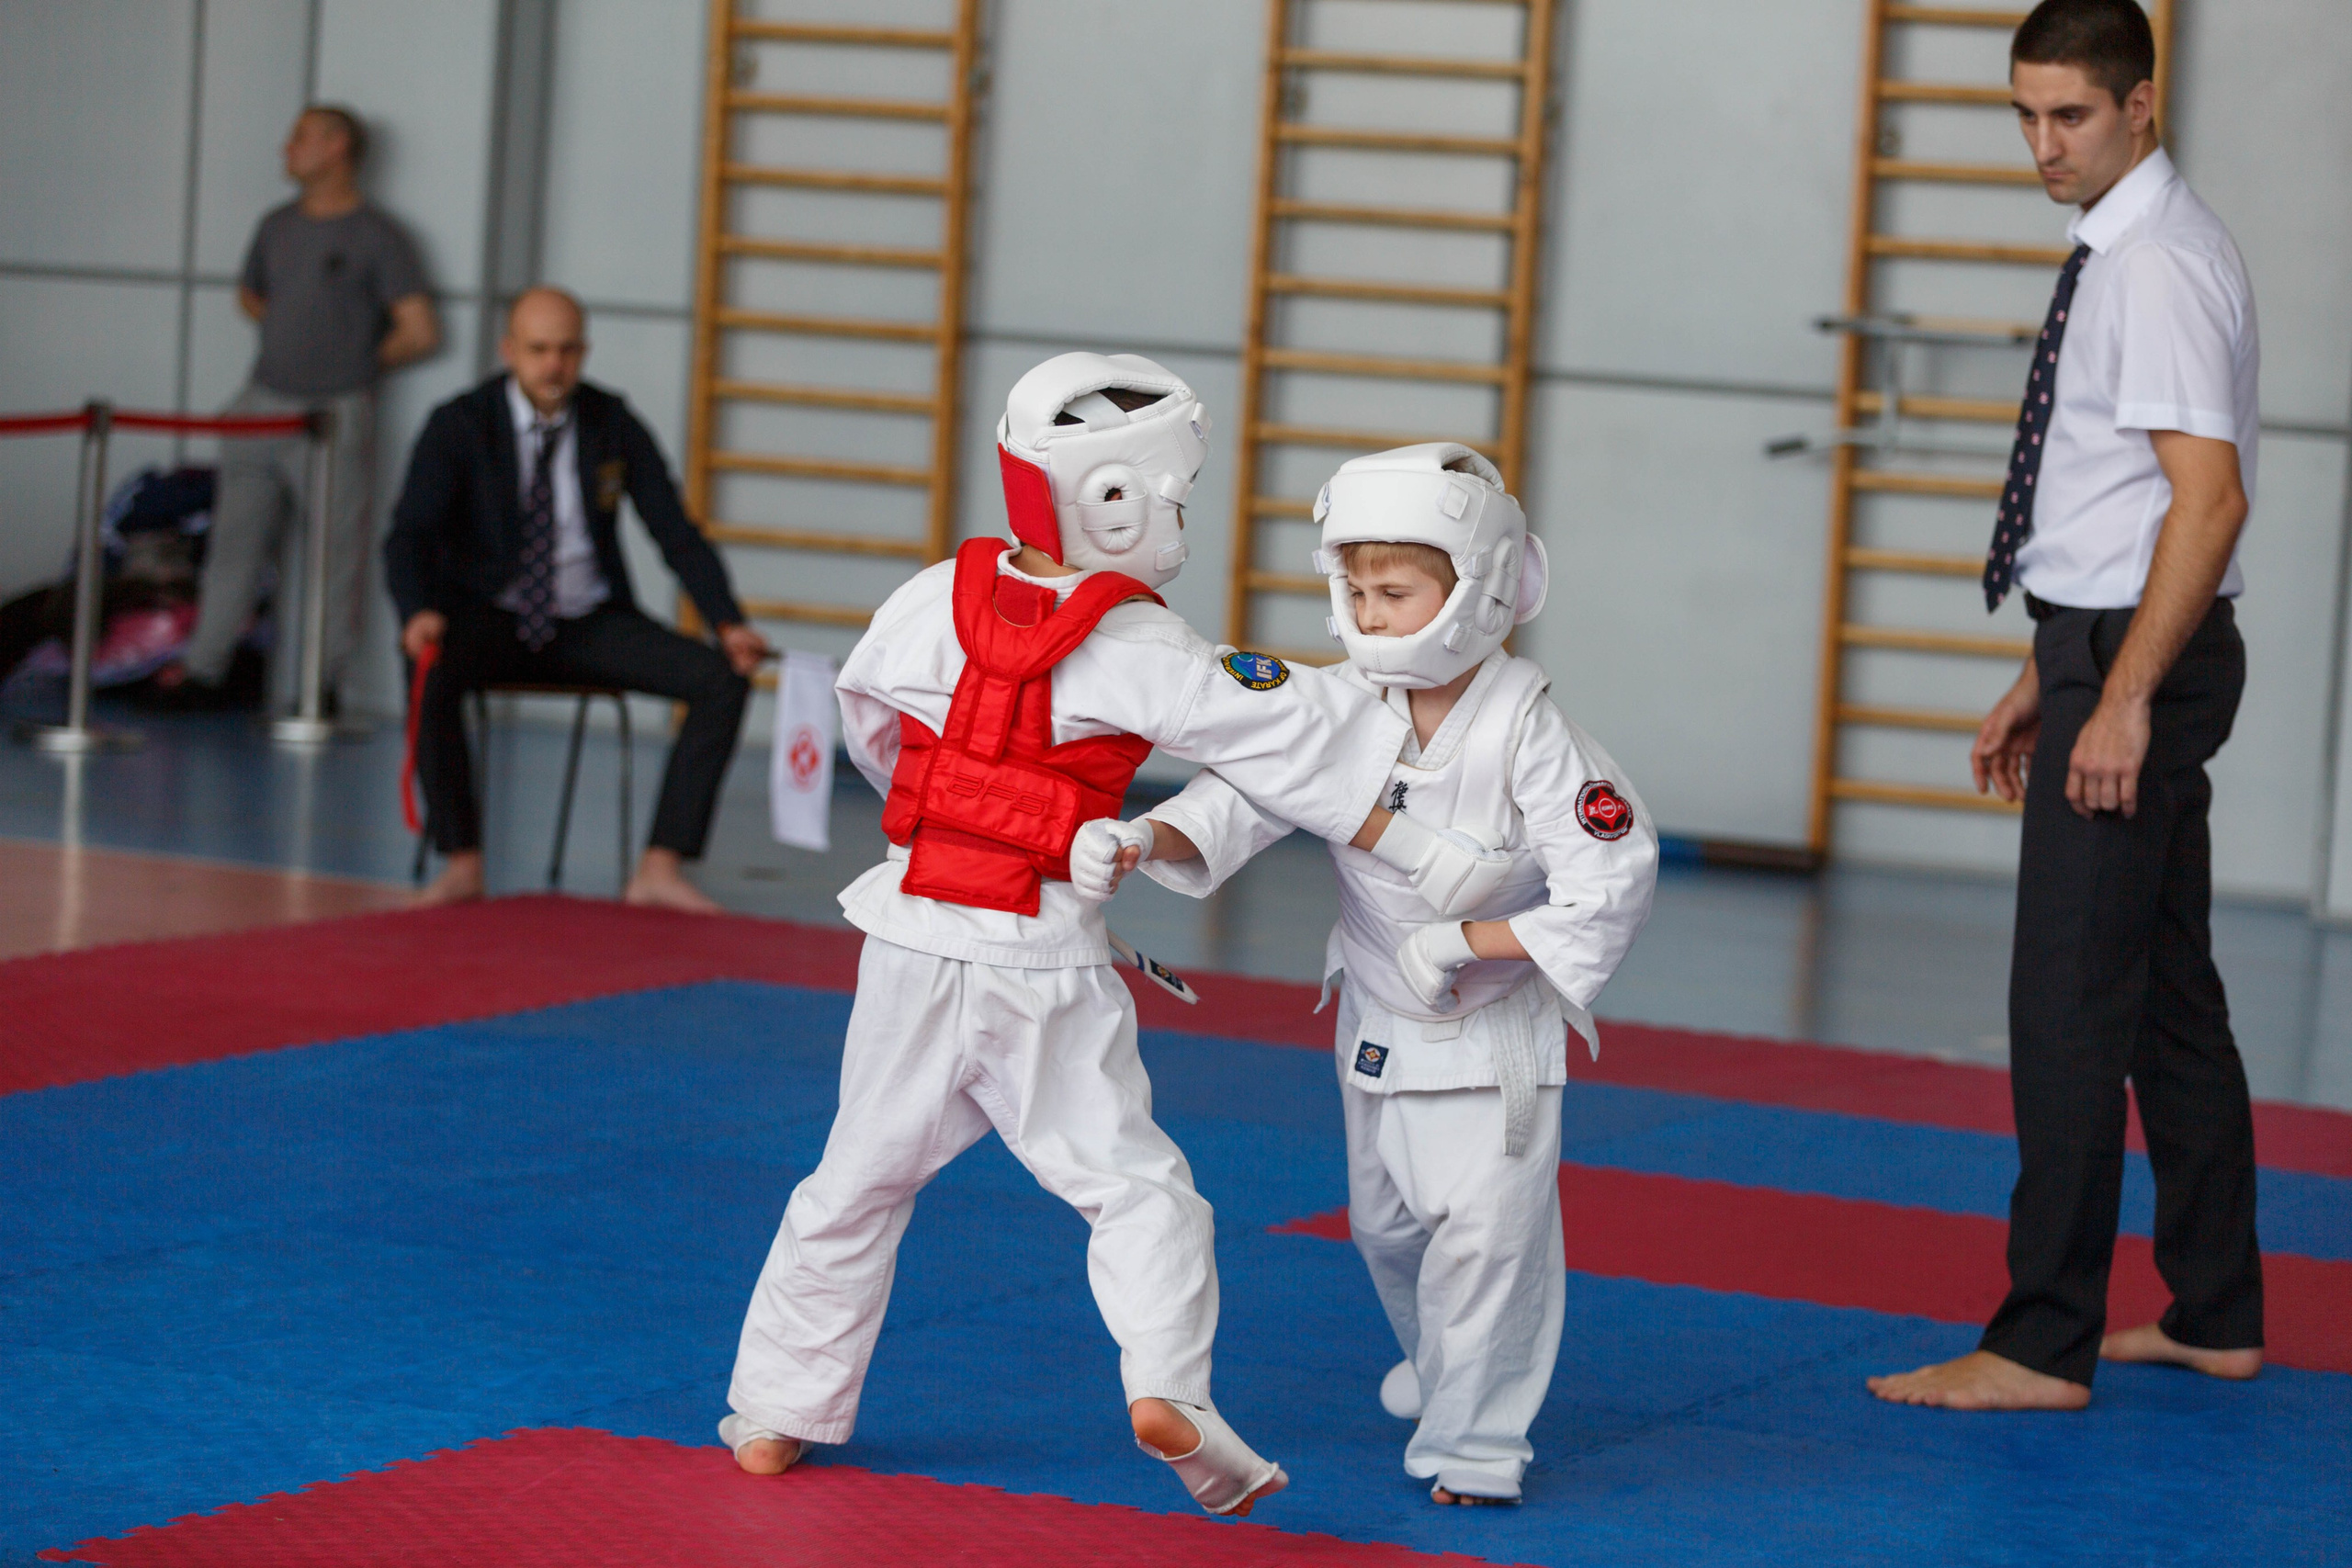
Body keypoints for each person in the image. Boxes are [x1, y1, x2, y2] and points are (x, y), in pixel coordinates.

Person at [718, 354, 1518, 1514]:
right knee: (1138, 1194)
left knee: (852, 1182)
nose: (1180, 521)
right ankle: (1167, 1388)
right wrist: (1384, 690)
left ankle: (777, 1412)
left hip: (906, 929)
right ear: (1114, 502)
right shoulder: (1136, 647)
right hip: (1037, 958)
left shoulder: (925, 598)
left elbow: (870, 732)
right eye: (1176, 500)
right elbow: (1298, 741)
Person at [1081, 444, 1658, 1503]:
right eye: (1353, 589)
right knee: (1386, 1229)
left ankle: (1475, 1450)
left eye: (1395, 591)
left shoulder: (1534, 736)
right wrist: (1142, 841)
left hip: (1491, 1034)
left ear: (1482, 591)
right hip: (1379, 1017)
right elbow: (1244, 793)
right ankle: (1448, 1372)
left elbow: (1608, 882)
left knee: (1487, 1244)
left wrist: (1470, 942)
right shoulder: (1338, 703)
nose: (1372, 612)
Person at [1869, 0, 2263, 1411]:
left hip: (2143, 660)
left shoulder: (2151, 267)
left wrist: (2122, 697)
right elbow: (2124, 503)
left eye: (2072, 116)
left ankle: (2040, 1342)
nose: (2042, 144)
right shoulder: (2135, 247)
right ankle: (2216, 1308)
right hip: (2111, 640)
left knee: (2069, 1008)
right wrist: (2054, 669)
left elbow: (2207, 503)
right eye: (2025, 115)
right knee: (2164, 994)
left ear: (2140, 105)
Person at [382, 288, 768, 912]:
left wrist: (727, 621)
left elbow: (675, 531)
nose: (553, 366)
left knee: (723, 678)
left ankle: (659, 867)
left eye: (566, 350)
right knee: (429, 665)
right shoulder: (460, 423)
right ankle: (462, 861)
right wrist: (417, 611)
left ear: (583, 351)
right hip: (491, 616)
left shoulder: (611, 421)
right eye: (538, 350)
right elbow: (408, 536)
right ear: (509, 350)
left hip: (589, 621)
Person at [158, 106, 438, 710]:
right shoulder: (276, 225)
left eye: (302, 136)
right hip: (261, 401)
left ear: (337, 147)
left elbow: (419, 329)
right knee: (233, 542)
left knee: (332, 556)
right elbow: (251, 297)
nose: (286, 147)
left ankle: (320, 686)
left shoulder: (377, 236)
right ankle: (205, 671)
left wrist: (352, 361)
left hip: (331, 414)